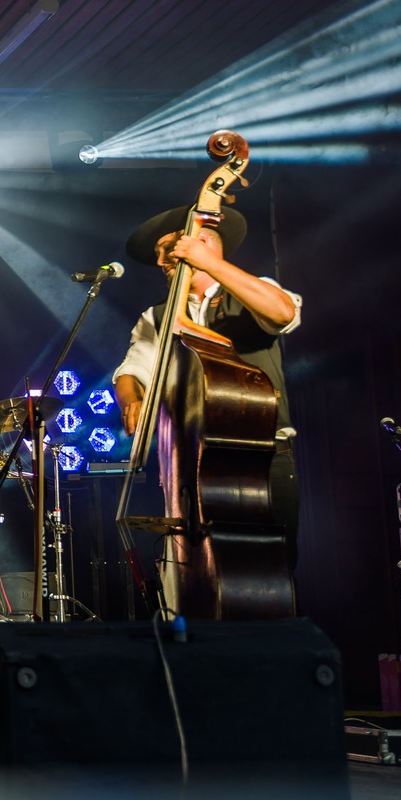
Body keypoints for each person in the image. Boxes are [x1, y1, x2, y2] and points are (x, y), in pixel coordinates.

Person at [113, 205, 302, 559]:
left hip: (261, 460)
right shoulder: (156, 316)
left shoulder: (254, 290)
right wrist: (132, 401)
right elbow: (130, 372)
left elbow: (282, 313)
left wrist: (209, 263)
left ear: (199, 242)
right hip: (191, 465)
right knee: (198, 565)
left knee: (270, 567)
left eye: (167, 249)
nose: (160, 261)